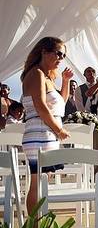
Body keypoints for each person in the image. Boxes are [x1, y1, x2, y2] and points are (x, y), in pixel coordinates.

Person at [19, 37, 71, 213]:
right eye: (58, 53)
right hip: (39, 134)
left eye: (63, 56)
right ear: (44, 51)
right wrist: (59, 130)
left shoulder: (46, 76)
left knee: (41, 183)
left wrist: (65, 82)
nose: (61, 59)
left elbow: (61, 104)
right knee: (36, 183)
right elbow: (40, 106)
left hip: (46, 135)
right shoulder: (36, 74)